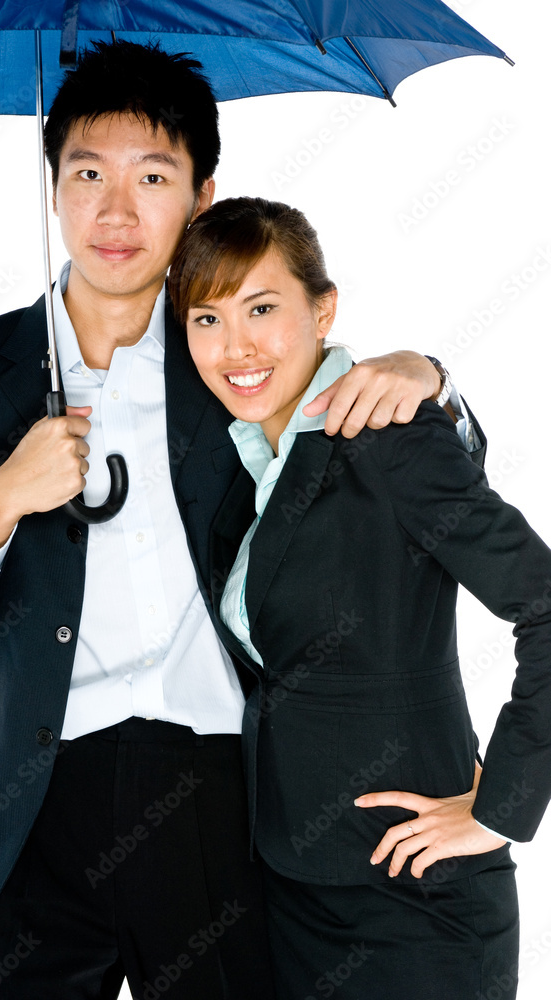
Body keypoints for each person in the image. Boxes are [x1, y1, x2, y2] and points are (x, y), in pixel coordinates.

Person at [0, 42, 473, 1000]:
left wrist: (434, 380)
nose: (116, 212)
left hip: (222, 803)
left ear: (202, 197)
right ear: (53, 188)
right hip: (32, 815)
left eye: (152, 178)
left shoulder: (232, 361)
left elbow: (411, 484)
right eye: (88, 174)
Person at [168, 195, 551, 1000]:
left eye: (261, 308)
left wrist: (499, 808)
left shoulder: (389, 437)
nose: (235, 346)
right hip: (292, 895)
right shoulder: (249, 458)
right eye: (206, 319)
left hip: (414, 904)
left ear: (323, 309)